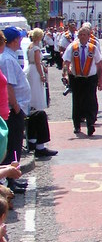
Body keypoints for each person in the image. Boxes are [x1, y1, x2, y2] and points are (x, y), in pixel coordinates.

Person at [0, 28, 32, 192]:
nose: (21, 42)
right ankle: (10, 180)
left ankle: (13, 177)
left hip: (14, 107)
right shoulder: (7, 59)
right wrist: (17, 107)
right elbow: (9, 86)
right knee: (13, 144)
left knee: (15, 144)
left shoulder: (9, 57)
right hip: (13, 109)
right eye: (19, 39)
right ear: (13, 41)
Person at [62, 25, 102, 137]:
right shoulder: (72, 47)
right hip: (77, 79)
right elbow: (66, 62)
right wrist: (65, 74)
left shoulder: (93, 48)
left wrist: (100, 80)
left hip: (90, 79)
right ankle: (77, 125)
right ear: (78, 36)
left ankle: (90, 124)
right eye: (80, 35)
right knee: (77, 102)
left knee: (90, 101)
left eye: (85, 35)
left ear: (89, 36)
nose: (82, 37)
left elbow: (99, 65)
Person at [24, 28, 57, 158]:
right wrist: (42, 74)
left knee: (33, 94)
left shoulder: (29, 47)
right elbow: (38, 62)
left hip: (30, 70)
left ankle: (32, 140)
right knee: (37, 95)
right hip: (35, 71)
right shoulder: (36, 48)